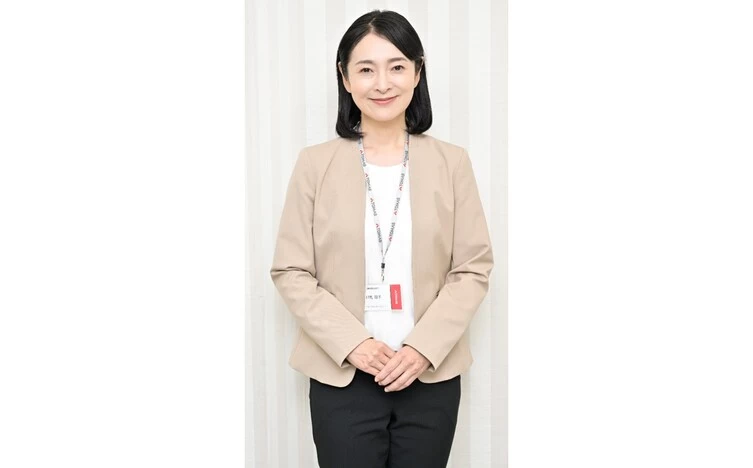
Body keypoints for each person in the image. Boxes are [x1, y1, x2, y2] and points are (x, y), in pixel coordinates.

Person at [269, 9, 493, 468]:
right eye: (366, 69)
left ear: (417, 72)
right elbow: (291, 270)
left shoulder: (452, 163)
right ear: (345, 78)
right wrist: (353, 343)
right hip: (342, 376)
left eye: (396, 67)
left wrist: (422, 348)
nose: (382, 83)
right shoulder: (314, 164)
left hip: (429, 375)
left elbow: (472, 268)